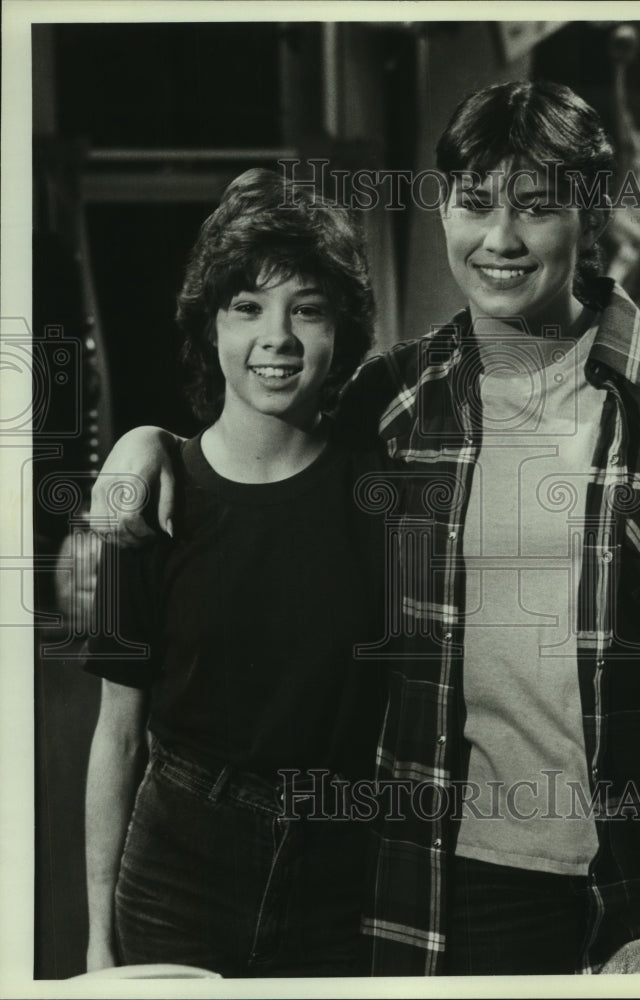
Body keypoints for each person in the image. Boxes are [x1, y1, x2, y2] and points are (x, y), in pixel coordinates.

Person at [89, 81, 640, 976]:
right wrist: (145, 446)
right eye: (475, 204)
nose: (500, 240)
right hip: (454, 878)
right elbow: (260, 440)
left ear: (589, 219)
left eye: (537, 208)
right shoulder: (396, 399)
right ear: (444, 208)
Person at [82, 167, 387, 978]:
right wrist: (94, 937)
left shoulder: (383, 493)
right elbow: (116, 736)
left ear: (340, 334)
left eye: (307, 310)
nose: (276, 338)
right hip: (177, 868)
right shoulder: (144, 504)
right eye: (247, 307)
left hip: (341, 875)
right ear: (210, 327)